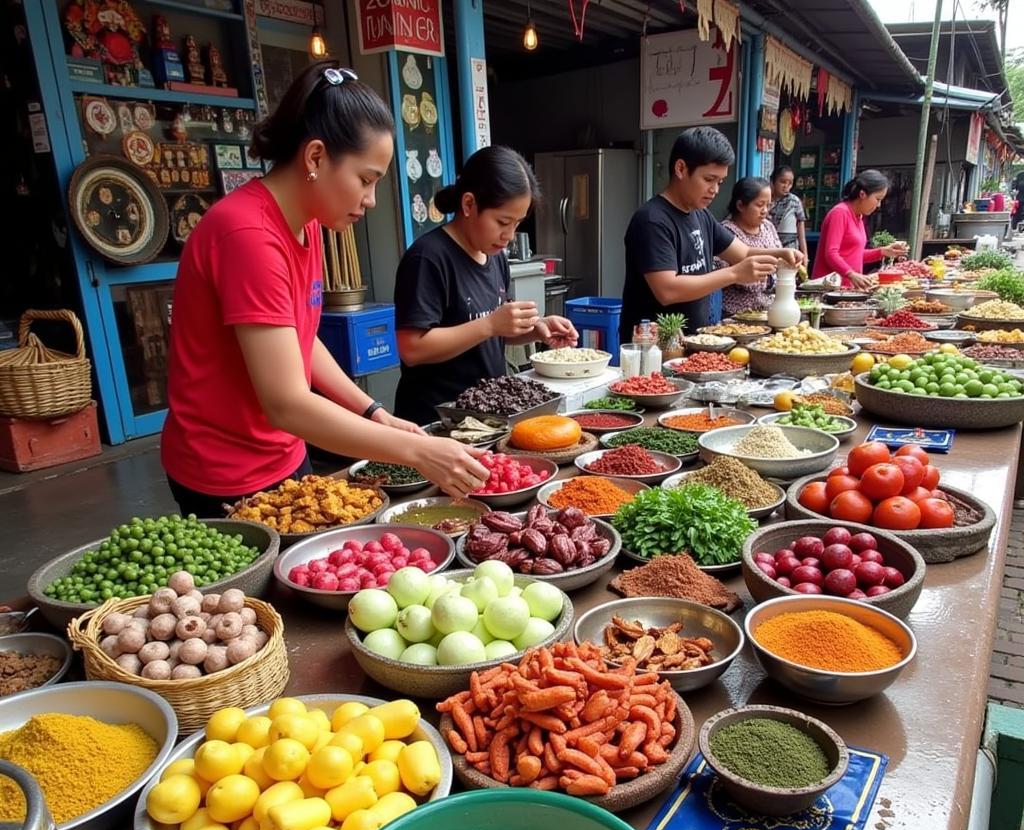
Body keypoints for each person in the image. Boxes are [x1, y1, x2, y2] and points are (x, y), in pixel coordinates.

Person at [161, 62, 489, 517]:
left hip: (285, 453)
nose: (371, 200)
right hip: (224, 471)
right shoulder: (248, 235)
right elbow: (286, 403)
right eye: (366, 179)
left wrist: (374, 412)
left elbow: (300, 336)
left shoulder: (308, 226)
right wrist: (416, 451)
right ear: (315, 158)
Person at [393, 145, 578, 425]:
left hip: (486, 415)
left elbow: (490, 331)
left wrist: (534, 329)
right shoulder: (428, 258)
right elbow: (413, 349)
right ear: (469, 205)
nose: (509, 235)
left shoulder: (495, 257)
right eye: (503, 221)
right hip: (435, 422)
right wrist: (491, 324)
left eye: (517, 223)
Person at [620, 126, 803, 342]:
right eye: (709, 179)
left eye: (720, 182)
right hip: (653, 347)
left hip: (693, 341)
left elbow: (743, 253)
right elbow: (667, 290)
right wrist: (734, 274)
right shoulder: (652, 220)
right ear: (681, 169)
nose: (715, 189)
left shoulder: (702, 215)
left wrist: (781, 253)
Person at [812, 169, 907, 289]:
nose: (878, 205)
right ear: (862, 194)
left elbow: (853, 254)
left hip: (849, 288)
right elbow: (831, 253)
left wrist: (883, 252)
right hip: (830, 288)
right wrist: (851, 274)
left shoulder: (859, 217)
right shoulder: (840, 213)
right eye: (878, 199)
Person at [719, 177, 783, 316]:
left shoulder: (768, 226)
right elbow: (724, 274)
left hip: (766, 309)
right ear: (740, 205)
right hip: (735, 313)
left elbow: (779, 261)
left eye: (768, 205)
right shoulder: (726, 232)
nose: (765, 211)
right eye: (760, 205)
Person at [768, 165, 807, 260]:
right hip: (769, 248)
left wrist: (805, 254)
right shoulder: (765, 199)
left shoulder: (794, 201)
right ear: (773, 181)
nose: (786, 186)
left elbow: (801, 231)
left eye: (790, 183)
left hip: (790, 248)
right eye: (783, 182)